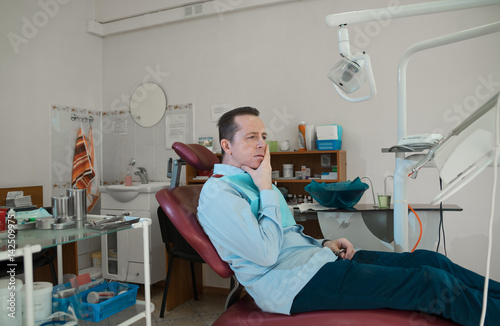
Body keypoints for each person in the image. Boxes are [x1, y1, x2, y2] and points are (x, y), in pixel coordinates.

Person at [197, 106, 500, 326]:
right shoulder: (219, 194)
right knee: (432, 283)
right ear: (226, 145)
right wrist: (265, 188)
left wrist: (323, 243)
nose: (262, 143)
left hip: (315, 261)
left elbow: (285, 235)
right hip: (290, 283)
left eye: (263, 135)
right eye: (251, 137)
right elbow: (264, 254)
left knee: (432, 260)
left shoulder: (254, 180)